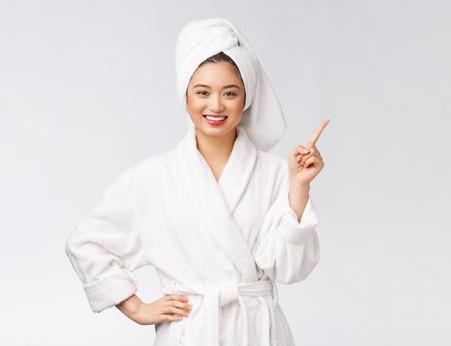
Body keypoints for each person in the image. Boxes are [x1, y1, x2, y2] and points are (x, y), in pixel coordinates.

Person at [64, 18, 329, 346]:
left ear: (245, 99)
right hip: (191, 333)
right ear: (186, 97)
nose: (216, 105)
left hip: (259, 332)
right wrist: (136, 308)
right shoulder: (153, 177)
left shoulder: (276, 173)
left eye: (229, 93)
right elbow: (87, 243)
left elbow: (292, 271)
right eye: (202, 92)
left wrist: (299, 187)